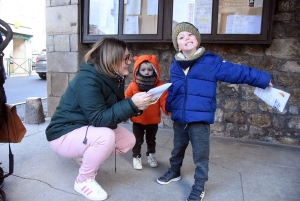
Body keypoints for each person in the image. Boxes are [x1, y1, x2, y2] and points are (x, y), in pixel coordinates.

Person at [156, 22, 273, 201]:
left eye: (190, 35)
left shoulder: (210, 62)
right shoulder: (175, 65)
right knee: (177, 148)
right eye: (181, 37)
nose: (186, 38)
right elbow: (174, 89)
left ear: (197, 39)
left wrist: (262, 79)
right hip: (180, 118)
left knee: (200, 155)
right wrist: (169, 106)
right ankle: (174, 171)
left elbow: (238, 72)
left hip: (200, 119)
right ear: (177, 45)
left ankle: (199, 185)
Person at [45, 37, 153, 201]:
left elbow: (113, 111)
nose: (129, 62)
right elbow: (99, 118)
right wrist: (131, 104)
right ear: (112, 59)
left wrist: (136, 105)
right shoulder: (87, 80)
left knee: (128, 140)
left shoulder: (112, 77)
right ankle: (83, 180)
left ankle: (86, 157)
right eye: (126, 58)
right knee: (106, 137)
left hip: (84, 128)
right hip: (62, 134)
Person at [125, 55, 168, 170]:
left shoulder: (160, 86)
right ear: (137, 70)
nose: (147, 72)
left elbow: (164, 100)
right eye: (143, 69)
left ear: (155, 70)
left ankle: (151, 155)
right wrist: (125, 112)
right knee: (137, 140)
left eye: (150, 69)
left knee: (151, 139)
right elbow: (126, 99)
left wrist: (168, 108)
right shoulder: (133, 85)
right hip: (138, 119)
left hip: (153, 120)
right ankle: (136, 156)